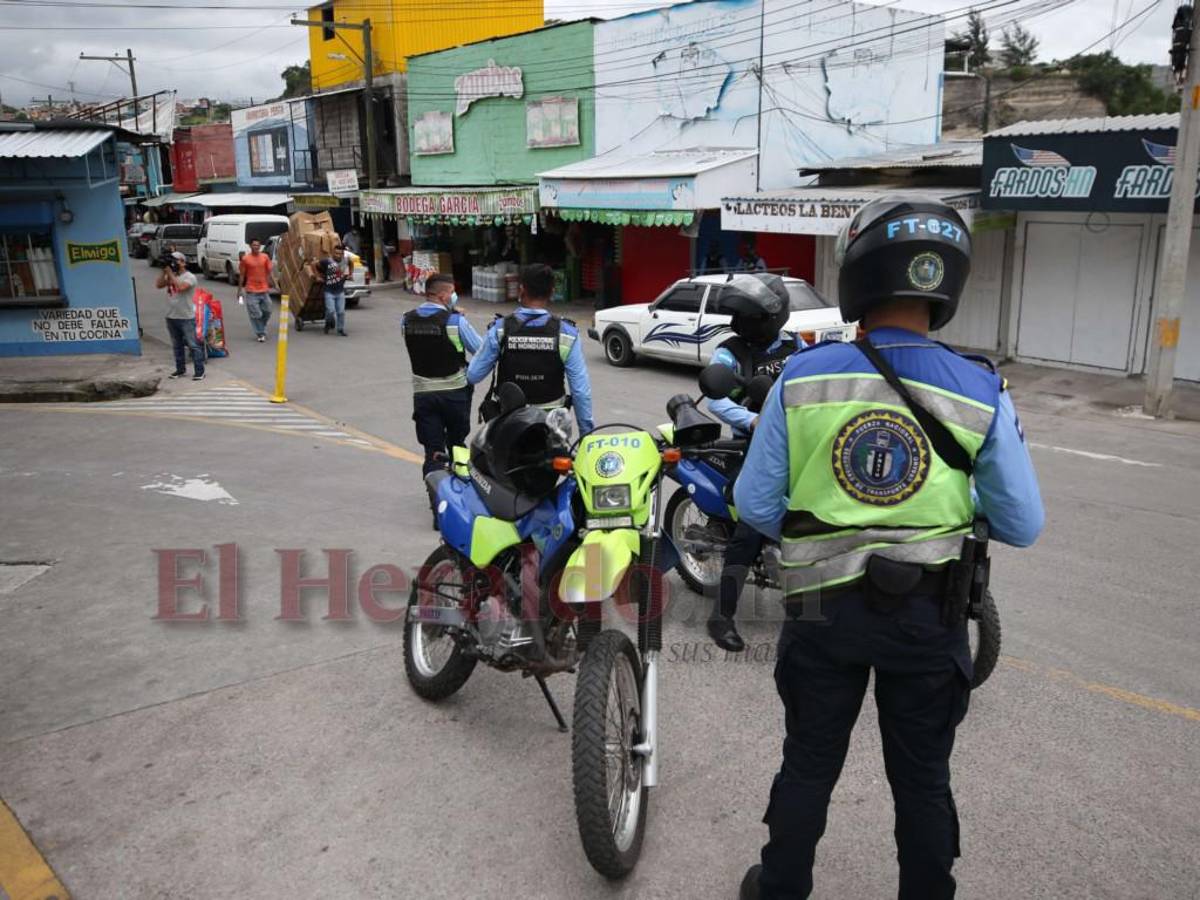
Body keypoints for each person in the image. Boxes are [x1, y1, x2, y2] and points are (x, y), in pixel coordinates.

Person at [734, 198, 1044, 900]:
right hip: (928, 618)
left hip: (821, 615)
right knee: (923, 779)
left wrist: (830, 526)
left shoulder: (802, 378)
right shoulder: (982, 388)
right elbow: (1022, 523)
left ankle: (781, 886)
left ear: (858, 278)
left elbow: (753, 505)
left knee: (809, 763)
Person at [704, 273, 803, 653]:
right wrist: (754, 420)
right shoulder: (730, 351)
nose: (741, 324)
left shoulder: (796, 346)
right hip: (752, 447)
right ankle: (721, 616)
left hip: (799, 444)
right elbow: (716, 400)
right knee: (749, 528)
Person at [467, 263, 594, 436]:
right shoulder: (567, 333)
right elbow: (580, 391)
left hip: (508, 427)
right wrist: (586, 434)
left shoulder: (500, 329)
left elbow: (473, 374)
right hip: (552, 429)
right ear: (552, 291)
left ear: (521, 290)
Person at [401, 273, 482, 479]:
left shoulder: (406, 320)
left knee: (433, 451)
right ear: (443, 296)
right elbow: (481, 350)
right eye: (453, 293)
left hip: (423, 395)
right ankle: (459, 490)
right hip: (454, 395)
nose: (454, 296)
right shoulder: (455, 322)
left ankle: (435, 494)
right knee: (457, 446)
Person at [156, 251, 205, 381]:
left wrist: (170, 273)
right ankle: (180, 369)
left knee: (193, 345)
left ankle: (199, 371)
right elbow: (158, 285)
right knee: (177, 345)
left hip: (186, 317)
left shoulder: (190, 277)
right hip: (171, 316)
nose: (173, 263)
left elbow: (181, 287)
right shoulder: (171, 275)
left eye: (175, 261)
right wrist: (164, 271)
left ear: (183, 262)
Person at [310, 243, 353, 336]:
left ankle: (340, 329)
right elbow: (313, 264)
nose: (338, 255)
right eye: (336, 253)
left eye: (340, 253)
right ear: (333, 253)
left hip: (340, 291)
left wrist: (350, 274)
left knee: (341, 312)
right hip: (329, 291)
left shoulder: (346, 260)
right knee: (330, 311)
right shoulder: (327, 261)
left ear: (343, 254)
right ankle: (327, 323)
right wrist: (317, 276)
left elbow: (351, 263)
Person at [238, 239, 273, 343]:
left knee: (268, 311)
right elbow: (242, 275)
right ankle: (260, 333)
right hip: (251, 290)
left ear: (260, 246)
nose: (256, 247)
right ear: (250, 246)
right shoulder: (245, 259)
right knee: (256, 314)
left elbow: (269, 272)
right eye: (254, 245)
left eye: (258, 245)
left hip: (264, 289)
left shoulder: (265, 257)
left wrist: (274, 284)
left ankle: (261, 326)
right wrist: (239, 290)